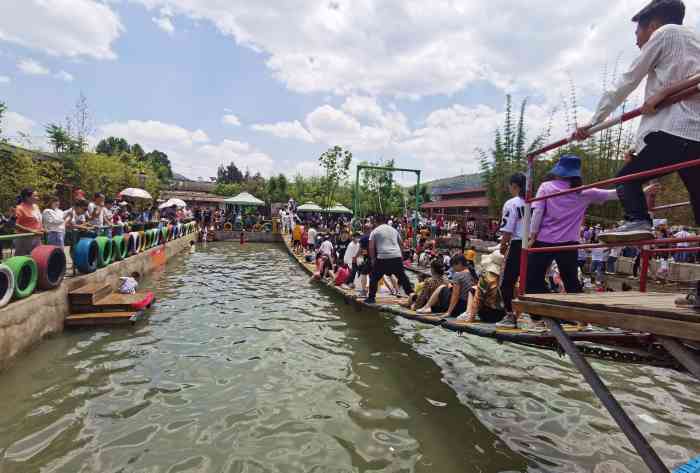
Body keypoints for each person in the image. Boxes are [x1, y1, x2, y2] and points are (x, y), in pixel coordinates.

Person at [574, 0, 700, 243]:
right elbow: (654, 110)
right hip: (695, 136)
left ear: (652, 25)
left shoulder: (665, 33)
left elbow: (627, 80)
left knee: (626, 179)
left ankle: (638, 220)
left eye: (637, 32)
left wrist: (593, 121)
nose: (636, 40)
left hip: (675, 131)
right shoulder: (694, 42)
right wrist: (637, 146)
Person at [496, 173, 526, 328]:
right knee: (533, 283)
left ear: (514, 185)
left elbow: (508, 228)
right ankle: (541, 318)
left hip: (517, 244)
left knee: (506, 283)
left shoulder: (512, 203)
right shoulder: (533, 202)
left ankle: (509, 315)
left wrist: (503, 246)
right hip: (533, 244)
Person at [365, 215, 413, 304]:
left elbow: (371, 247)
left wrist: (372, 259)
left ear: (376, 222)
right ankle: (412, 294)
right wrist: (401, 257)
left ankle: (371, 298)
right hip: (396, 256)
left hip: (383, 257)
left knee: (374, 278)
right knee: (402, 277)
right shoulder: (394, 230)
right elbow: (401, 244)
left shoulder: (374, 231)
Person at [459, 250, 506, 323]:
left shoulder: (487, 277)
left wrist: (470, 319)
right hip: (503, 315)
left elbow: (478, 299)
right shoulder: (508, 277)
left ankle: (468, 313)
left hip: (488, 315)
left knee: (473, 289)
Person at [14, 188, 43, 256]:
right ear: (27, 197)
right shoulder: (19, 208)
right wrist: (32, 231)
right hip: (24, 239)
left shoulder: (36, 206)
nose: (37, 198)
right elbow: (14, 224)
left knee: (36, 257)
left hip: (37, 238)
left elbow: (37, 221)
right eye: (35, 196)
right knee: (23, 260)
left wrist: (42, 228)